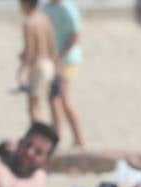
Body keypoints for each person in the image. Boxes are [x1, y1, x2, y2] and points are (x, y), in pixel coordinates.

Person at [44, 0, 86, 147]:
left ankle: (79, 139)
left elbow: (76, 34)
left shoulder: (67, 8)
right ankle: (57, 136)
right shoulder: (45, 8)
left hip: (69, 59)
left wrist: (61, 55)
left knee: (63, 98)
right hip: (52, 59)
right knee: (53, 99)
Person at [17, 0, 58, 127]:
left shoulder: (29, 23)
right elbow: (52, 46)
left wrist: (21, 71)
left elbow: (31, 51)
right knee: (52, 102)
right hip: (49, 64)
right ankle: (57, 132)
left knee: (34, 105)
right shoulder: (45, 19)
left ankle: (37, 138)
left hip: (38, 66)